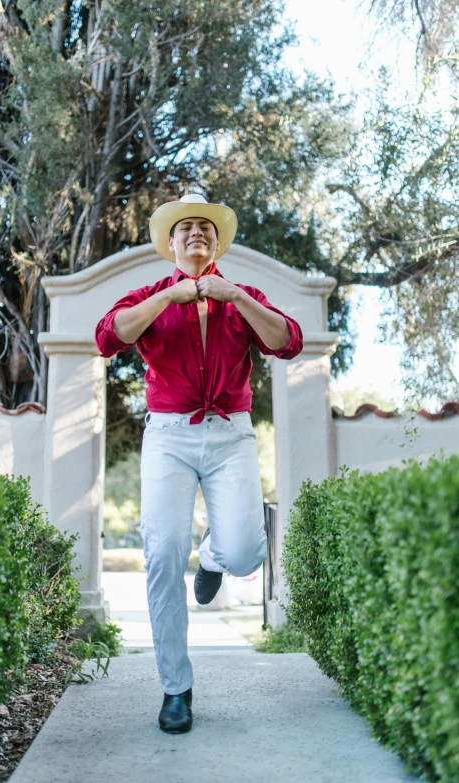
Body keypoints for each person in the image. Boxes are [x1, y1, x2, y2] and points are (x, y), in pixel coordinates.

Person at [94, 193, 303, 734]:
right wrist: (168, 298)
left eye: (205, 229)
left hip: (231, 434)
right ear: (170, 242)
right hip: (168, 435)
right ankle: (175, 689)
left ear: (216, 244)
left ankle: (212, 557)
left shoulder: (243, 297)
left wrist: (235, 295)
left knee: (246, 552)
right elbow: (107, 336)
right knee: (162, 553)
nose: (195, 235)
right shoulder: (150, 296)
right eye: (185, 228)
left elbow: (289, 341)